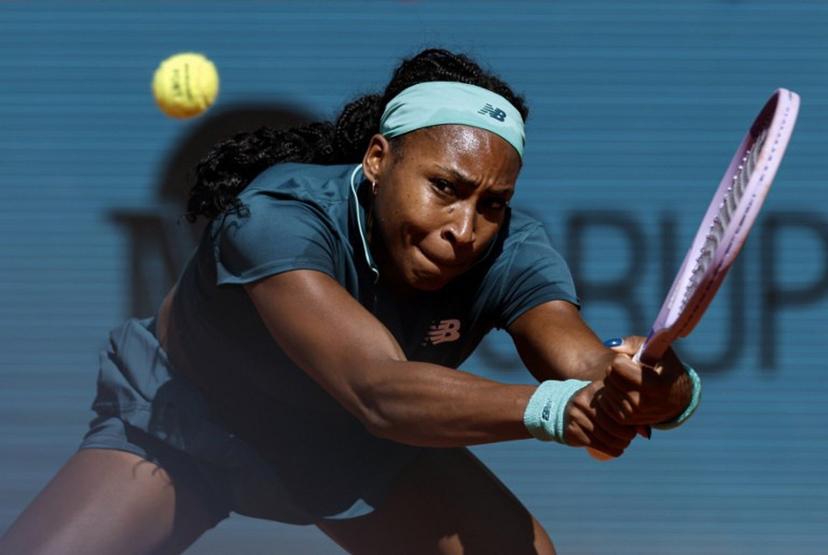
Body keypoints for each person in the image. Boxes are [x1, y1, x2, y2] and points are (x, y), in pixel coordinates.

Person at [0, 48, 700, 555]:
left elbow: (580, 356)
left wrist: (652, 385)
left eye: (493, 204)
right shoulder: (275, 216)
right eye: (446, 187)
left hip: (349, 448)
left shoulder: (508, 246)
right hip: (188, 426)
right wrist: (552, 407)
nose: (466, 228)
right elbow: (378, 391)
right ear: (376, 160)